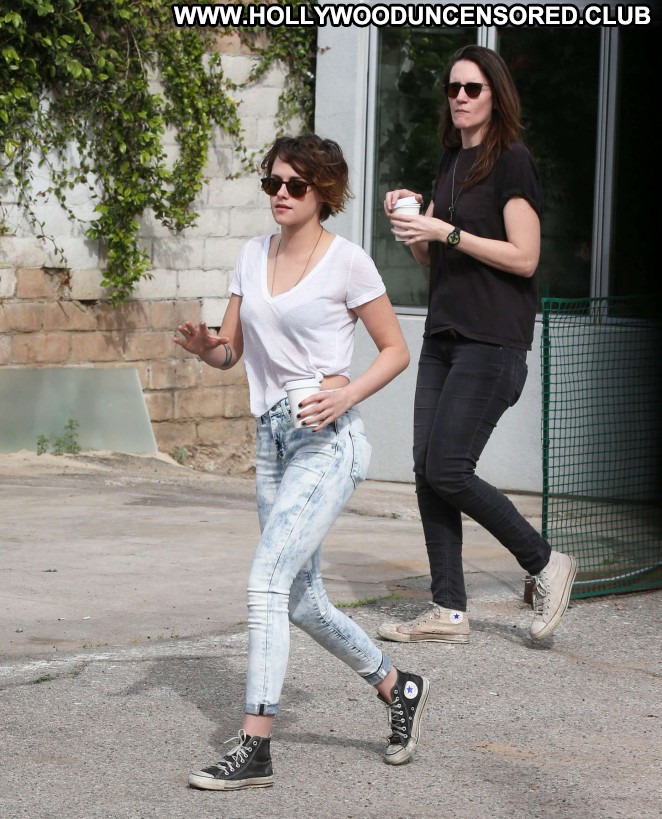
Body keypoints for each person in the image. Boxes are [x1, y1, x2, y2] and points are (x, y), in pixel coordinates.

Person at [175, 134, 429, 791]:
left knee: (265, 579)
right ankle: (398, 686)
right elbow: (231, 351)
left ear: (325, 191)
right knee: (300, 600)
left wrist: (346, 392)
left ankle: (255, 745)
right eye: (272, 183)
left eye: (295, 185)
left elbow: (395, 349)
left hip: (326, 437)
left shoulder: (347, 263)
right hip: (272, 440)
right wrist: (206, 348)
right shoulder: (250, 256)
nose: (280, 194)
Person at [378, 45, 577, 646]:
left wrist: (447, 230)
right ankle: (448, 610)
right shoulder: (450, 161)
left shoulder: (512, 160)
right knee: (427, 470)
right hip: (444, 334)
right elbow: (430, 256)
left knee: (448, 467)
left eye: (473, 88)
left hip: (492, 340)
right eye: (453, 88)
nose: (460, 97)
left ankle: (546, 562)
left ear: (496, 96)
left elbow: (525, 257)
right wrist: (413, 223)